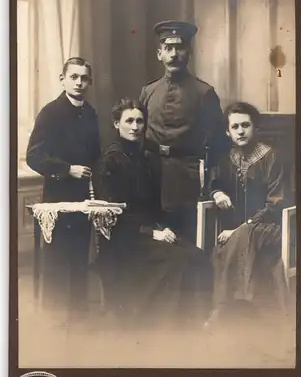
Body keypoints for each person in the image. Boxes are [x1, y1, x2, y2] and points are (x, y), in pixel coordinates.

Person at [95, 98, 212, 331]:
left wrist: (161, 227)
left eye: (140, 121)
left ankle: (193, 322)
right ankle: (162, 327)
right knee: (176, 260)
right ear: (116, 124)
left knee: (197, 255)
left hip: (147, 231)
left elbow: (151, 206)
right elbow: (113, 213)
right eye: (129, 121)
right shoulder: (110, 161)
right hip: (123, 239)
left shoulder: (145, 159)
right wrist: (152, 233)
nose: (135, 126)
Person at [26, 57, 101, 322]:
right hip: (57, 198)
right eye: (74, 77)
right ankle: (55, 320)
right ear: (63, 79)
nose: (79, 83)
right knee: (59, 259)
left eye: (84, 78)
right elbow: (34, 156)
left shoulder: (90, 112)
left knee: (80, 257)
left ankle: (79, 318)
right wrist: (67, 168)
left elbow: (95, 155)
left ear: (89, 82)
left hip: (83, 198)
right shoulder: (51, 112)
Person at [139, 20, 228, 243]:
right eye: (168, 48)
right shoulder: (148, 92)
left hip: (186, 178)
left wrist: (213, 185)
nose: (174, 54)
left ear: (188, 53)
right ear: (159, 54)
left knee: (185, 240)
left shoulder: (204, 93)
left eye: (179, 48)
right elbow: (139, 136)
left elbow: (218, 144)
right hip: (152, 174)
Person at [206, 102, 288, 325]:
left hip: (272, 227)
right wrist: (217, 192)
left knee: (242, 237)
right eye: (235, 127)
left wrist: (243, 227)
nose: (240, 131)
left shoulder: (272, 157)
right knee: (225, 245)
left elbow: (276, 204)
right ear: (228, 131)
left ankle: (235, 310)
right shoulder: (228, 158)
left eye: (245, 125)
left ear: (255, 128)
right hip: (242, 229)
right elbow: (215, 183)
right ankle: (226, 308)